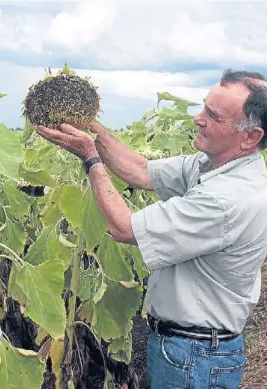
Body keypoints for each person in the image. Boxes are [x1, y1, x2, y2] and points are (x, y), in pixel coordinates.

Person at [35, 69, 267, 389]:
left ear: (250, 136)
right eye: (204, 107)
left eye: (213, 116)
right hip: (188, 347)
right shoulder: (213, 165)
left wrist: (90, 157)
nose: (198, 119)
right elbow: (141, 171)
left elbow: (123, 229)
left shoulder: (229, 199)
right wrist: (89, 126)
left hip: (196, 356)